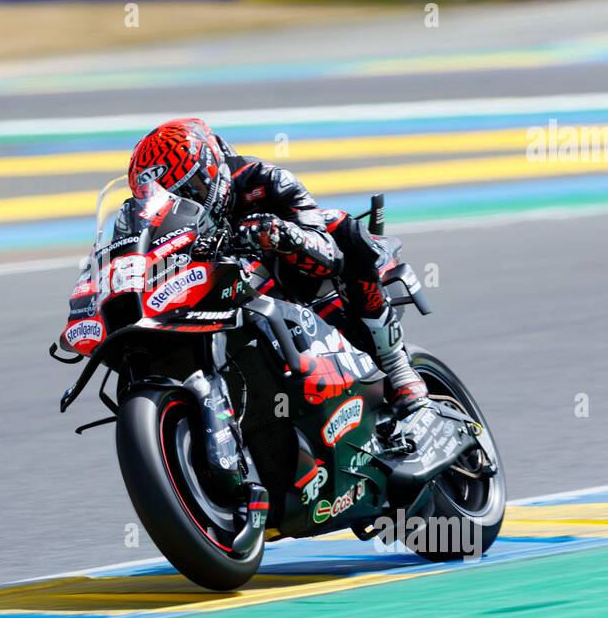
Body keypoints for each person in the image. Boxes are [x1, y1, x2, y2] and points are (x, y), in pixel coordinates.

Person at [126, 117, 430, 414]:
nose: (185, 200)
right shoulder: (161, 221)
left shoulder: (264, 178)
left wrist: (279, 235)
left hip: (303, 281)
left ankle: (397, 366)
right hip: (223, 292)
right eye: (174, 196)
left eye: (190, 188)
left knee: (339, 223)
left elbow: (329, 255)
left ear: (210, 169)